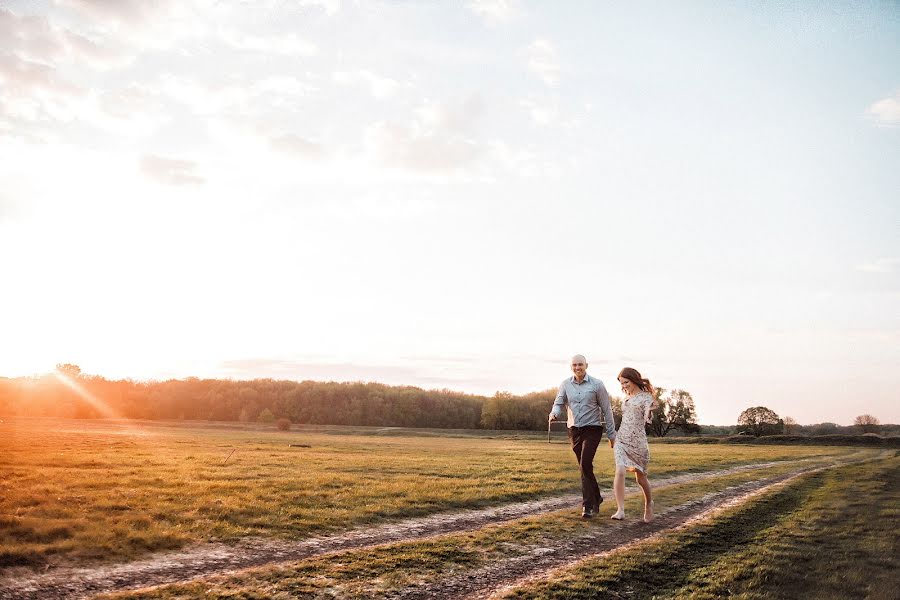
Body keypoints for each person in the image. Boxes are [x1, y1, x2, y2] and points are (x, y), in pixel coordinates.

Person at [549, 354, 617, 518]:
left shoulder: (597, 384)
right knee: (584, 467)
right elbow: (559, 403)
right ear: (571, 367)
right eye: (574, 365)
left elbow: (607, 410)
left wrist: (611, 434)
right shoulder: (565, 384)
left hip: (592, 429)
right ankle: (597, 497)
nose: (577, 367)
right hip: (574, 430)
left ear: (586, 365)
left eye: (580, 364)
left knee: (585, 463)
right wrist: (554, 414)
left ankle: (587, 505)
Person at [610, 367, 658, 522]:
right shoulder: (626, 398)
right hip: (621, 439)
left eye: (626, 382)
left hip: (638, 443)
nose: (624, 386)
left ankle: (649, 503)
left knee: (641, 479)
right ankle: (620, 510)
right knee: (620, 470)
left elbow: (647, 415)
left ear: (634, 379)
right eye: (622, 383)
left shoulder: (646, 397)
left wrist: (649, 411)